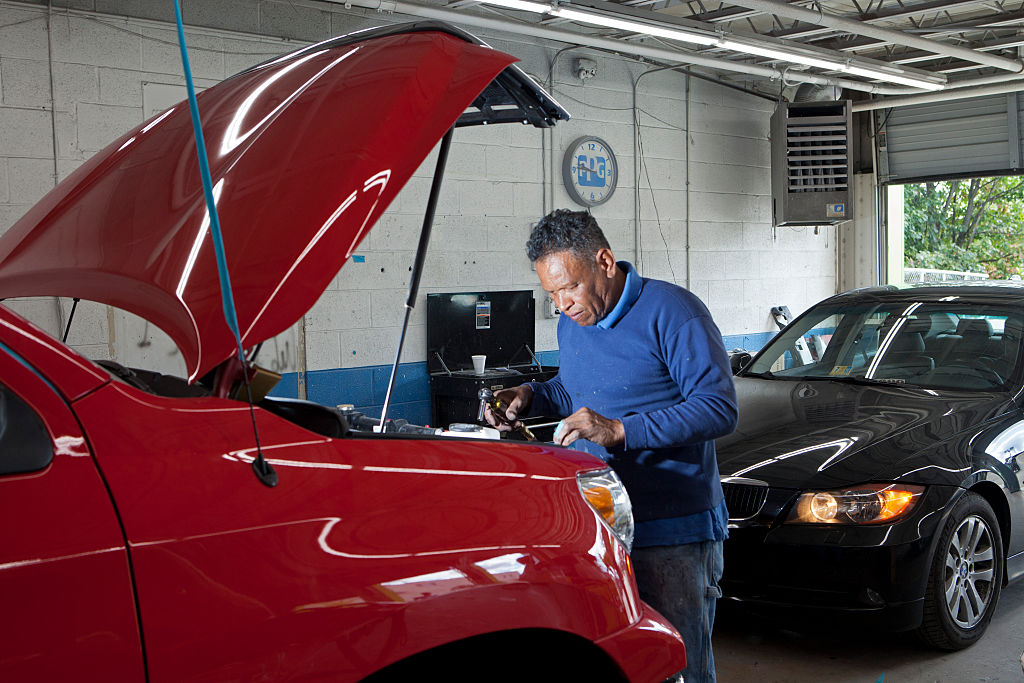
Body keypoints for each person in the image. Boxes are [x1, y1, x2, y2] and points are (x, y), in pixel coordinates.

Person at [485, 209, 737, 683]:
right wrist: (529, 394)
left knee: (680, 666)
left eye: (569, 288)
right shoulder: (574, 322)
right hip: (601, 526)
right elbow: (575, 389)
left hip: (673, 530)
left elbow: (718, 408)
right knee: (626, 661)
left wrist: (621, 431)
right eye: (551, 293)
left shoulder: (675, 313)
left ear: (604, 261)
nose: (561, 304)